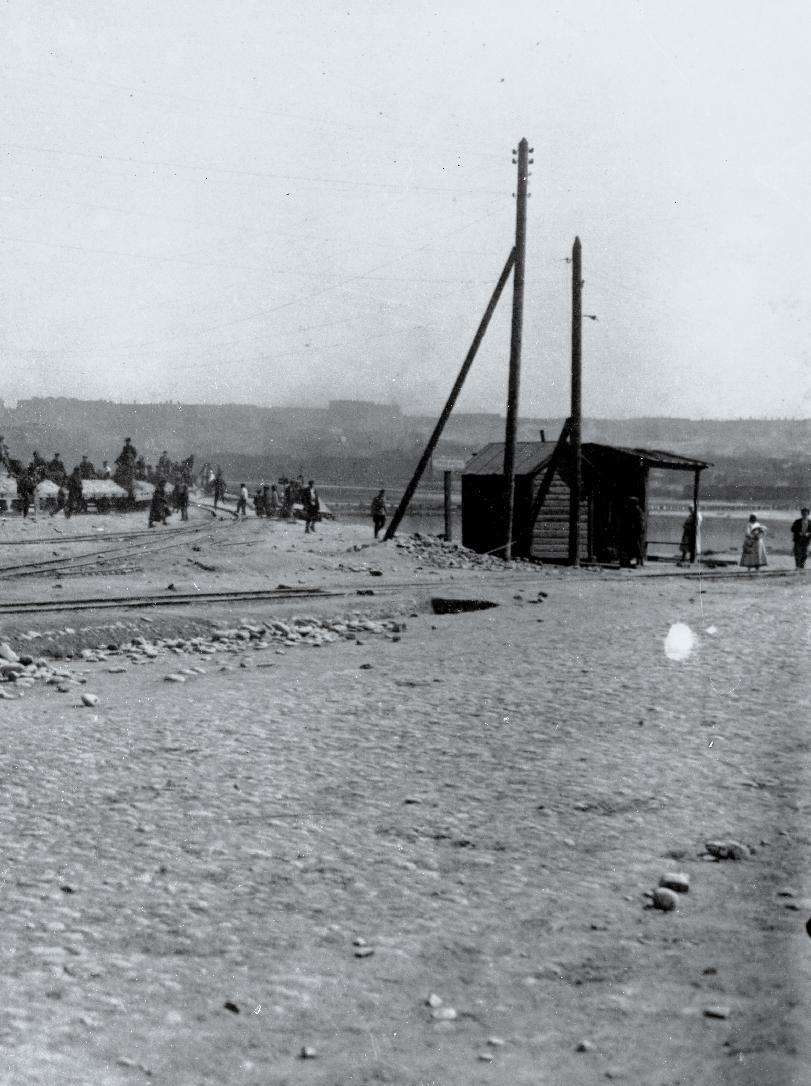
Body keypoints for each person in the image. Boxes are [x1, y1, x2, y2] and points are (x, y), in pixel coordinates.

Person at [620, 496, 645, 568]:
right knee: (635, 546)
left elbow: (638, 522)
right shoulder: (636, 510)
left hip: (636, 531)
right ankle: (637, 561)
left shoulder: (636, 510)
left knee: (637, 546)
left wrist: (638, 530)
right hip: (635, 531)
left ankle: (639, 561)